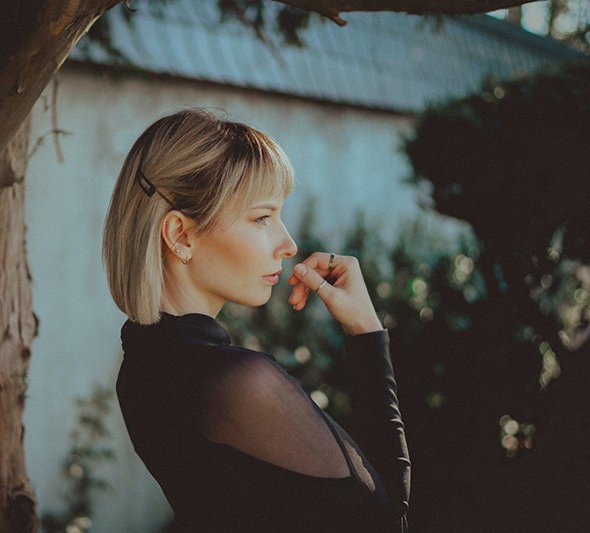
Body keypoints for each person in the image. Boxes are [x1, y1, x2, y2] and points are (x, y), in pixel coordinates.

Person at [103, 109, 410, 532]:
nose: (289, 244)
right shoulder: (239, 383)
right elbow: (386, 521)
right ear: (180, 235)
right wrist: (366, 333)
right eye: (262, 218)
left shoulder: (142, 367)